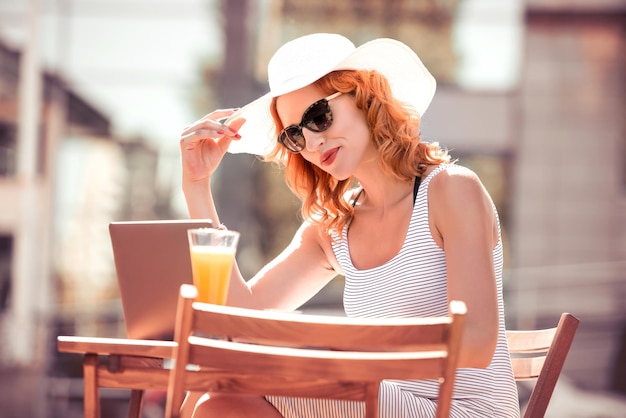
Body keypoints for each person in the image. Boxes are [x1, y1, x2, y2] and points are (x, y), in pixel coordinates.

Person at [179, 33, 520, 418]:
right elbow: (240, 323)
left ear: (364, 96)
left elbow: (476, 343)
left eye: (318, 117)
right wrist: (196, 186)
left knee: (222, 383)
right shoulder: (332, 228)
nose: (311, 141)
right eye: (294, 135)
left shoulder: (452, 191)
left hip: (462, 410)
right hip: (377, 402)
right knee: (217, 401)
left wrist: (343, 350)